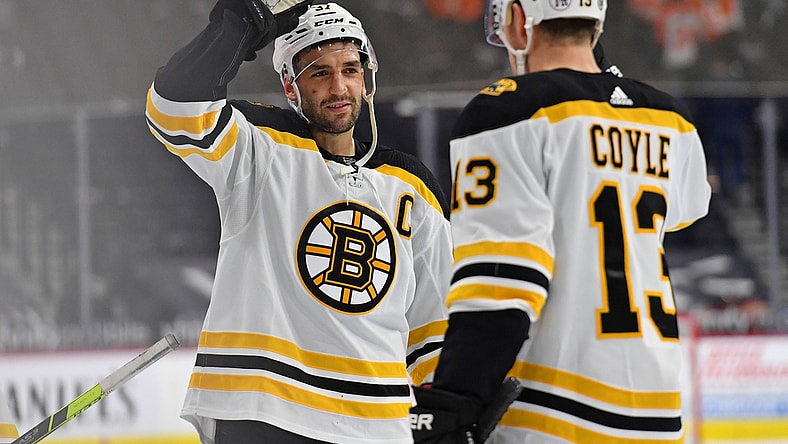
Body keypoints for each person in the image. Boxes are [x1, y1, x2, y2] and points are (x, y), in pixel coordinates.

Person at [145, 1, 452, 443]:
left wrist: (443, 411)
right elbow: (173, 107)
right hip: (265, 410)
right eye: (319, 72)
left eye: (350, 68)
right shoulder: (258, 147)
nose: (339, 86)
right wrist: (240, 24)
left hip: (380, 422)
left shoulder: (412, 184)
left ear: (367, 76)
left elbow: (434, 326)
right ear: (291, 85)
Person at [411, 0, 711, 443]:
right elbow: (687, 209)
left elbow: (501, 277)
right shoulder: (672, 120)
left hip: (550, 410)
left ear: (516, 18)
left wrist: (458, 394)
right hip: (658, 412)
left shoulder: (509, 110)